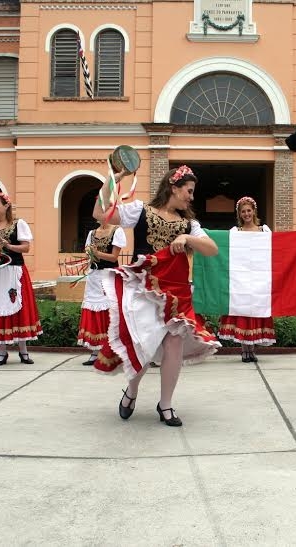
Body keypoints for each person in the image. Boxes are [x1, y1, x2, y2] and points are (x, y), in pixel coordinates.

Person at [92, 165, 220, 427]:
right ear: (174, 187)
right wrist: (110, 181)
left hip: (176, 293)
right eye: (189, 190)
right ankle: (132, 391)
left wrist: (186, 237)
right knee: (144, 344)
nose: (191, 197)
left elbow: (212, 249)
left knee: (174, 344)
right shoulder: (141, 211)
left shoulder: (189, 224)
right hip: (144, 290)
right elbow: (99, 214)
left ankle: (166, 404)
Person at [0, 192, 43, 365]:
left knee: (18, 308)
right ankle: (2, 352)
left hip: (14, 271)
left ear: (6, 206)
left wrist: (8, 246)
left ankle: (23, 351)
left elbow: (26, 247)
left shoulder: (18, 224)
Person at [217, 196, 276, 363]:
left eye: (249, 210)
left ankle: (252, 351)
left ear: (254, 211)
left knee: (257, 311)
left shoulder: (264, 231)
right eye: (243, 211)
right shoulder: (235, 232)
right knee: (242, 311)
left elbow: (276, 246)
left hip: (259, 279)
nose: (246, 214)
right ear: (239, 214)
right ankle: (245, 351)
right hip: (240, 279)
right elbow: (222, 245)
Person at [77, 219, 126, 366]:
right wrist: (91, 255)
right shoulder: (92, 233)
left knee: (109, 312)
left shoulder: (116, 231)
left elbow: (114, 257)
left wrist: (97, 253)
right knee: (94, 310)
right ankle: (95, 351)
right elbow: (88, 254)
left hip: (108, 275)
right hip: (94, 275)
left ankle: (111, 351)